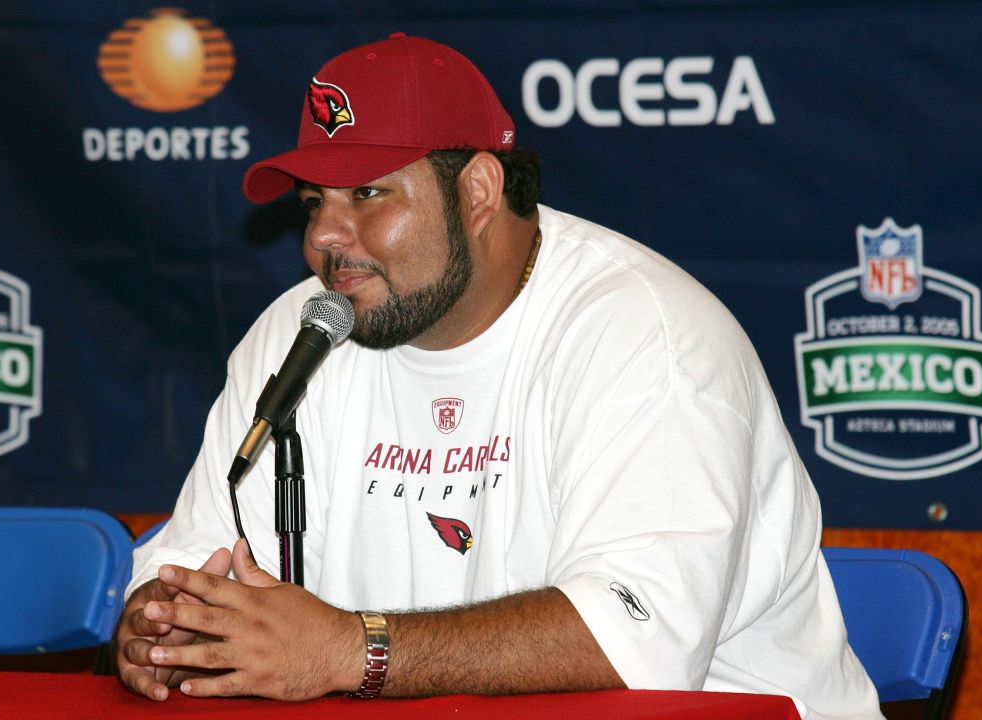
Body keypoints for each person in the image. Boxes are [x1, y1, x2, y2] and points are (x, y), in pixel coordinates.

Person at [115, 32, 882, 719]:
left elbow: (635, 643)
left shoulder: (644, 333)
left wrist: (353, 650)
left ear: (478, 191)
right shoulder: (300, 333)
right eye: (314, 201)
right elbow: (192, 556)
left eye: (368, 195)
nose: (323, 237)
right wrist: (164, 622)